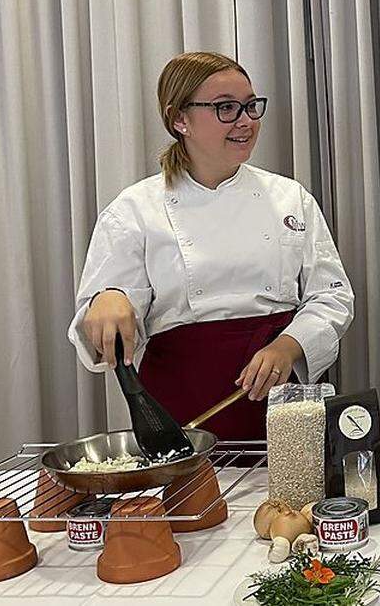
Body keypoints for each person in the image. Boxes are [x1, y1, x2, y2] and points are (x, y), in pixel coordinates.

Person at [68, 51, 353, 440]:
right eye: (226, 108)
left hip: (281, 400)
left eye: (251, 106)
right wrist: (109, 299)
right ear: (179, 119)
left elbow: (333, 297)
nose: (246, 121)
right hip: (184, 406)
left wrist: (289, 345)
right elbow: (103, 338)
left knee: (288, 501)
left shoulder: (290, 198)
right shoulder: (134, 211)